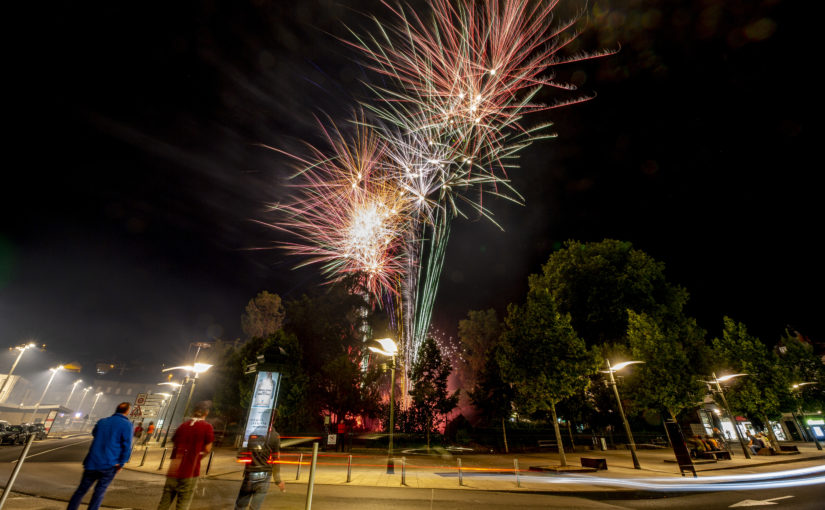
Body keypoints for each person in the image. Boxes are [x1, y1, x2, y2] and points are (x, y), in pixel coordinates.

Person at [67, 402, 133, 510]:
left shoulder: (102, 421)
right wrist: (121, 463)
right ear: (127, 411)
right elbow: (127, 446)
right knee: (99, 492)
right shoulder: (127, 425)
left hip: (92, 462)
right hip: (110, 464)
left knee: (81, 490)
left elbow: (94, 433)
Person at [157, 402, 214, 510]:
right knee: (183, 505)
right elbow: (207, 449)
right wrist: (197, 457)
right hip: (190, 472)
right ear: (206, 413)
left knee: (163, 504)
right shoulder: (207, 427)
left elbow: (175, 443)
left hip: (173, 471)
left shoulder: (182, 426)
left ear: (193, 412)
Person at [234, 430, 285, 510]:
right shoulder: (274, 435)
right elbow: (276, 459)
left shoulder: (251, 433)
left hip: (250, 473)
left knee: (240, 505)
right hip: (265, 474)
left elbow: (240, 454)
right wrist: (278, 480)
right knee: (255, 507)